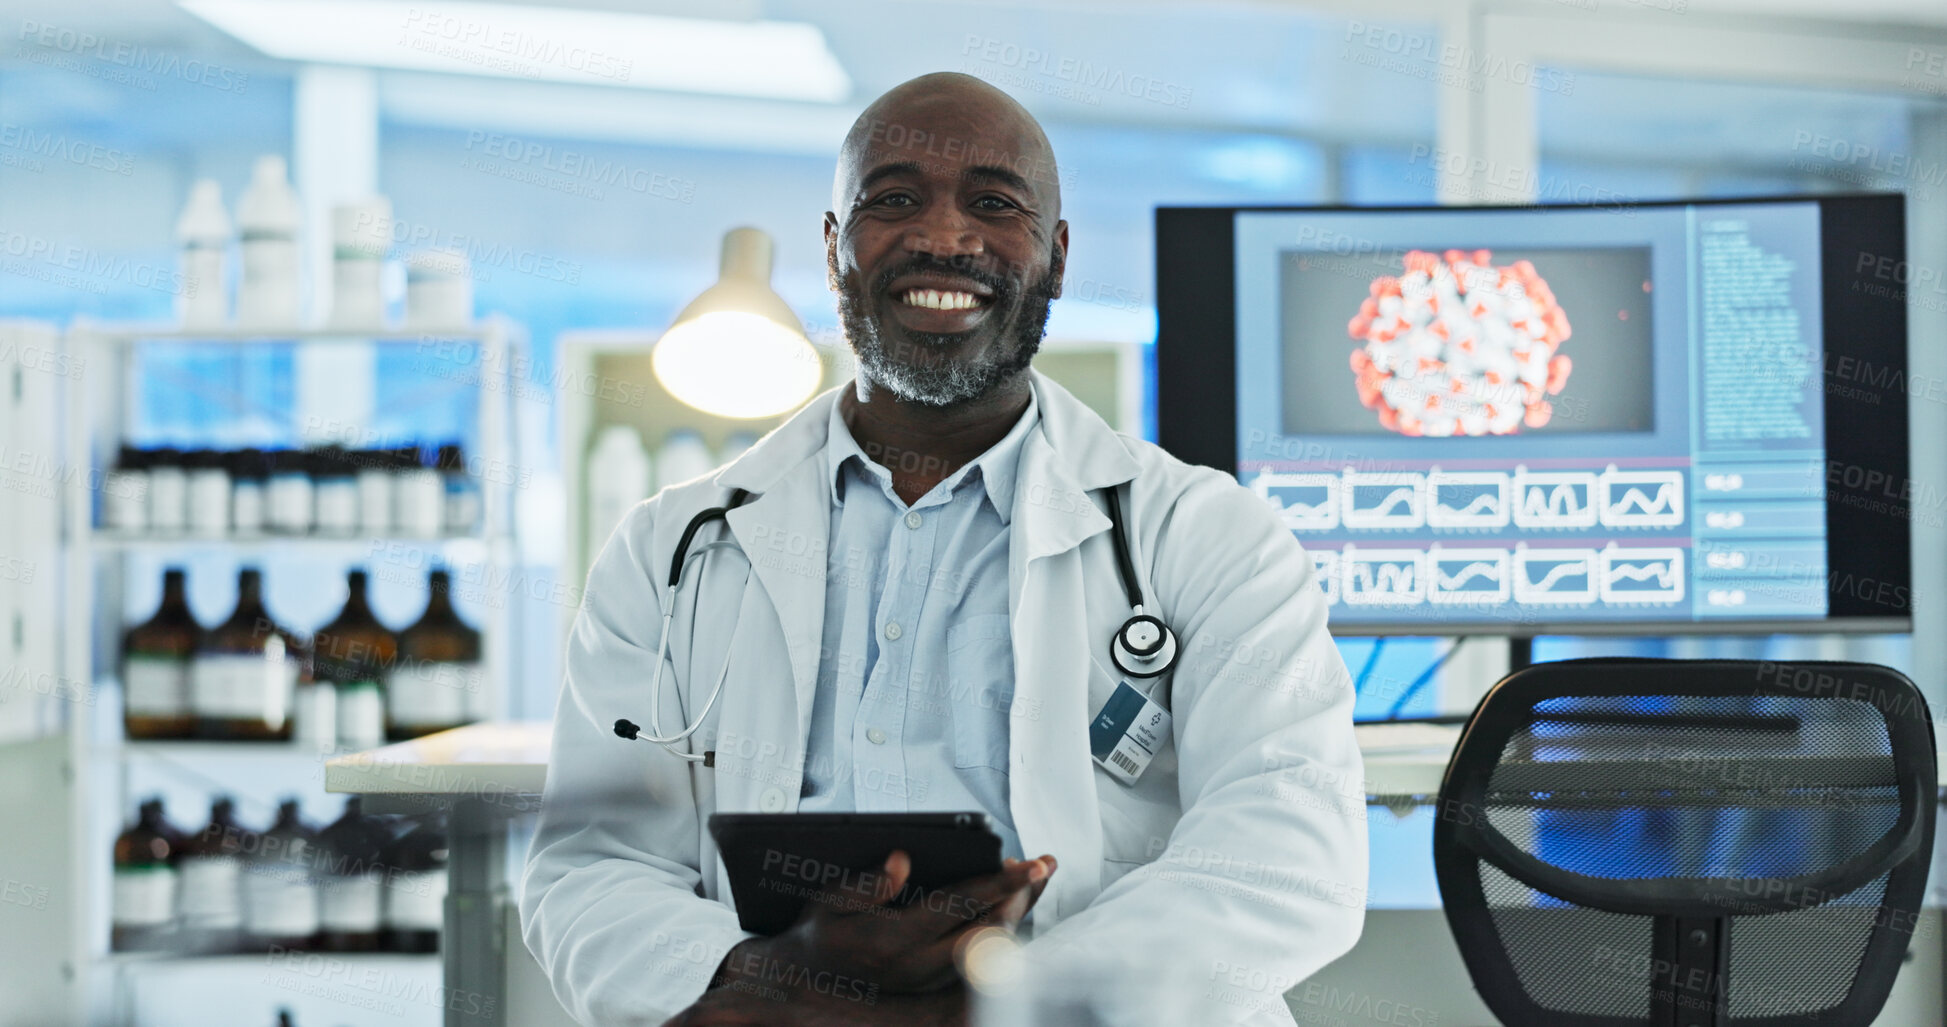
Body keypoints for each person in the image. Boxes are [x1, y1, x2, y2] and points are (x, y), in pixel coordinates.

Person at [521, 72, 1366, 1027]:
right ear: (834, 247)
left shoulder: (1209, 535)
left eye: (994, 204)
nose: (944, 237)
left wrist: (996, 1003)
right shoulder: (667, 548)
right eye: (893, 199)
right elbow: (591, 865)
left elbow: (1287, 852)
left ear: (1054, 256)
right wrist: (767, 981)